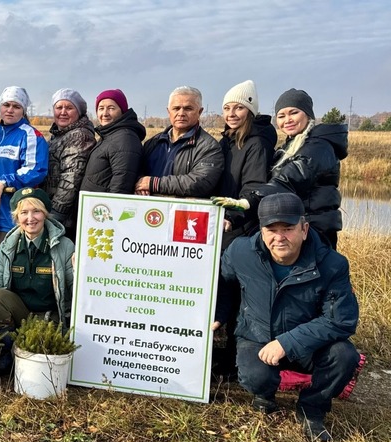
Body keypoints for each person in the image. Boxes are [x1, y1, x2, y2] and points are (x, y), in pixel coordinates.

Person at [215, 193, 359, 442]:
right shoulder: (240, 251)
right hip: (256, 337)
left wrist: (286, 343)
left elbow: (341, 320)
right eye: (271, 229)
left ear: (304, 229)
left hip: (308, 346)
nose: (279, 237)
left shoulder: (332, 265)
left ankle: (312, 408)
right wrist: (218, 315)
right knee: (255, 377)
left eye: (288, 228)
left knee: (345, 356)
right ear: (261, 230)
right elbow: (224, 284)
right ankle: (264, 395)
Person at [213, 88, 347, 249]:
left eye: (294, 113)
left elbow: (288, 181)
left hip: (313, 229)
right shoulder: (292, 146)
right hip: (294, 226)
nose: (287, 120)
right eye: (282, 116)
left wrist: (247, 201)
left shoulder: (318, 147)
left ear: (308, 114)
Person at [212, 80, 277, 379]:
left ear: (251, 109)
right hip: (222, 222)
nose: (232, 113)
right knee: (222, 289)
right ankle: (220, 354)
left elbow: (253, 187)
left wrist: (234, 217)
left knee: (235, 291)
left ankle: (232, 362)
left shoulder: (256, 142)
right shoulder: (228, 140)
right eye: (227, 107)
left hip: (241, 227)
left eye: (239, 107)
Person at [0, 188, 74, 370]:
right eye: (24, 213)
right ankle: (6, 350)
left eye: (36, 211)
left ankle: (26, 348)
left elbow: (76, 292)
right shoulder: (8, 245)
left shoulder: (64, 246)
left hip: (49, 318)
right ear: (16, 217)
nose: (30, 218)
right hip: (20, 314)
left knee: (41, 348)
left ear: (45, 214)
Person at [0, 86, 48, 246]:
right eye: (6, 105)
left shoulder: (31, 136)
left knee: (10, 266)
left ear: (23, 110)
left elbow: (35, 170)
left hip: (14, 217)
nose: (10, 110)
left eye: (16, 106)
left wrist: (4, 182)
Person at [136, 86, 223, 198]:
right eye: (176, 108)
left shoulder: (209, 147)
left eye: (188, 109)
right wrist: (139, 183)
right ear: (169, 111)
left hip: (182, 212)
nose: (181, 113)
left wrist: (154, 184)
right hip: (150, 211)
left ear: (200, 112)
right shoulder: (153, 142)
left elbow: (200, 183)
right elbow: (136, 169)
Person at [43, 89, 96, 241]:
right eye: (59, 107)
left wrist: (54, 218)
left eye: (69, 108)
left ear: (79, 112)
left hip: (65, 220)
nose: (63, 112)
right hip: (52, 213)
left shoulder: (79, 136)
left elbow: (71, 179)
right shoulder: (58, 136)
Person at [80, 88, 145, 195]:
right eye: (101, 108)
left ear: (122, 111)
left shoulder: (125, 138)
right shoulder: (109, 135)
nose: (105, 113)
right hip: (94, 206)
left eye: (111, 108)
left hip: (103, 209)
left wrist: (110, 209)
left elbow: (122, 183)